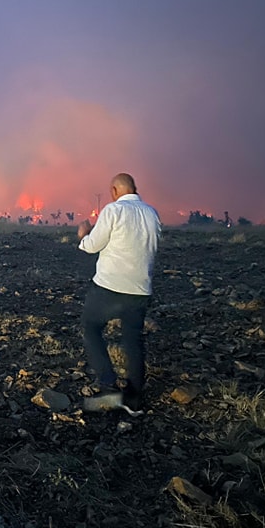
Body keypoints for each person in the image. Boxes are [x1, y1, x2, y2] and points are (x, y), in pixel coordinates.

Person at [76, 172, 161, 415]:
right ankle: (133, 400)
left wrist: (84, 235)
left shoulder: (113, 211)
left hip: (109, 287)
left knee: (91, 327)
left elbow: (92, 246)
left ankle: (108, 386)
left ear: (114, 191)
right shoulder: (152, 214)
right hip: (140, 290)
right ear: (135, 188)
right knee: (133, 341)